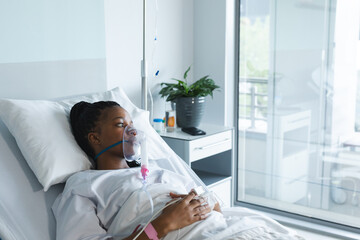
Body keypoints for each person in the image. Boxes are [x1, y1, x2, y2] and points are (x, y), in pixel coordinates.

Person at [52, 101, 220, 240]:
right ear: (95, 138)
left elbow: (216, 205)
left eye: (131, 124)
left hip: (218, 228)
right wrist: (167, 222)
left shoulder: (156, 171)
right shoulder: (84, 184)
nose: (132, 131)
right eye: (120, 124)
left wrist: (201, 205)